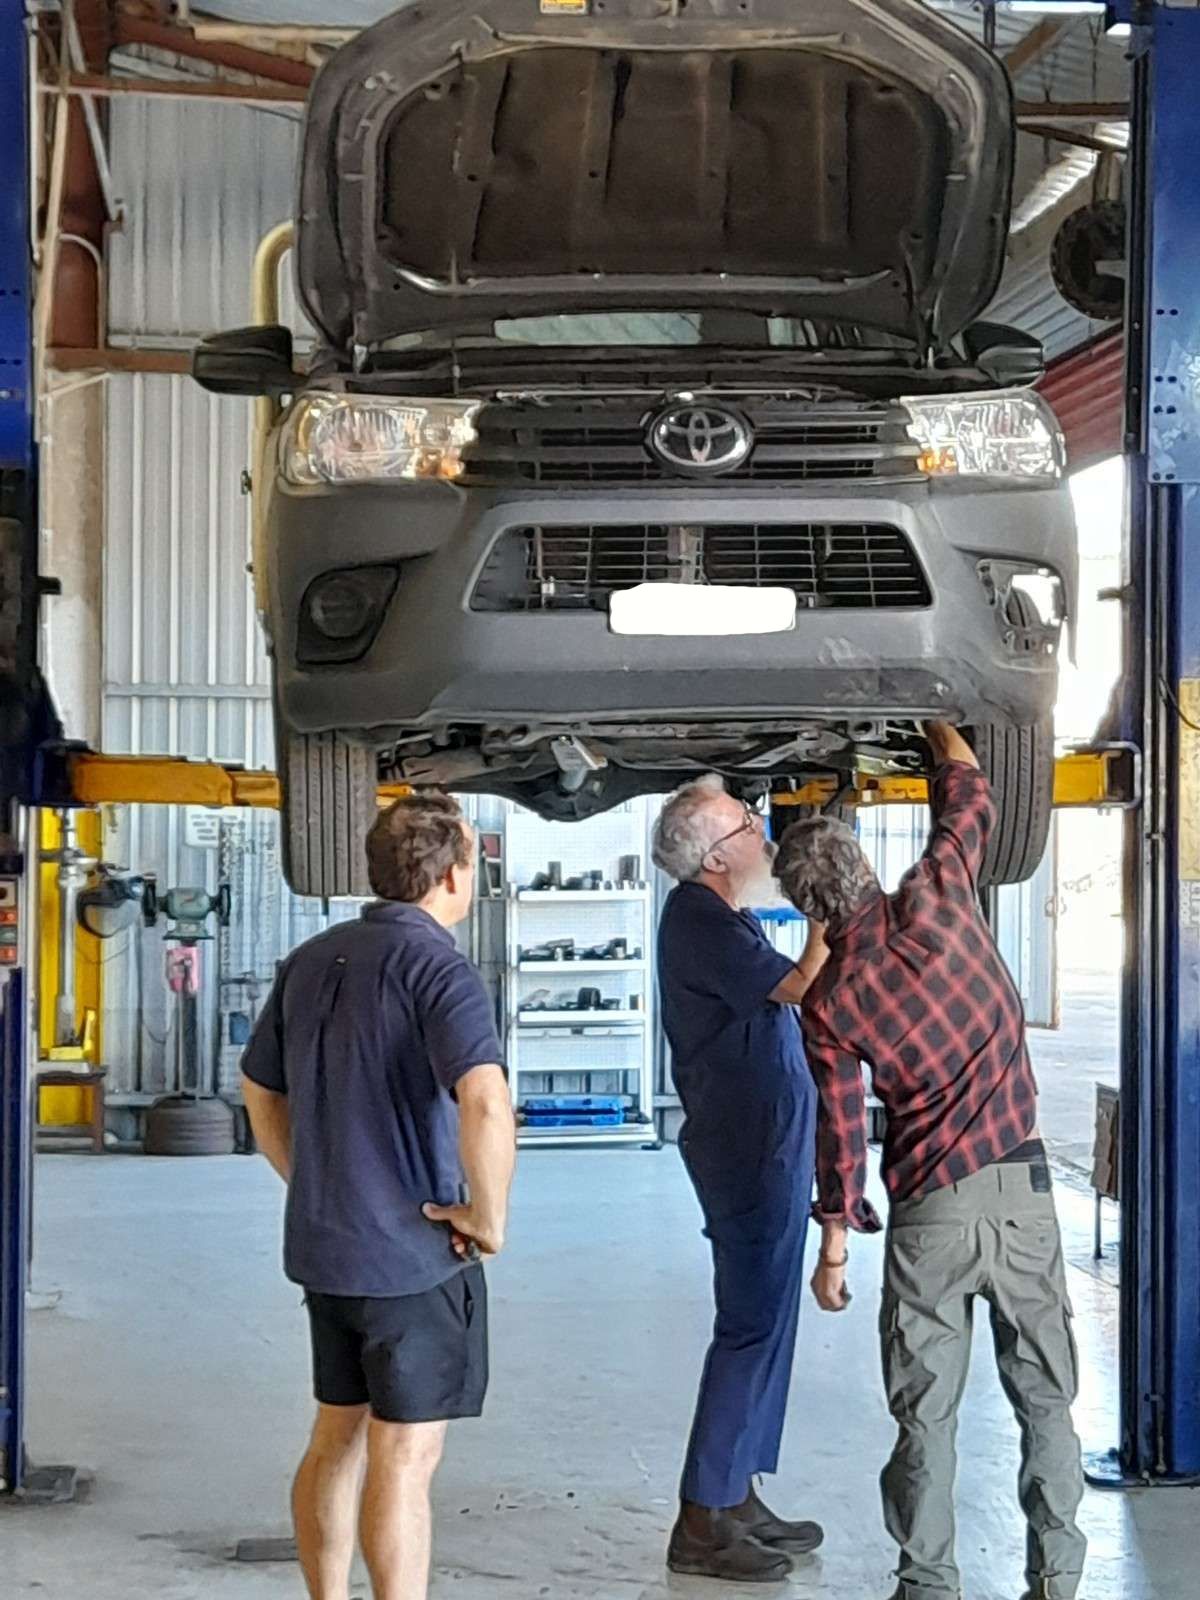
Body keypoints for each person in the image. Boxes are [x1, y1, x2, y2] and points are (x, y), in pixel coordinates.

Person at [773, 721, 1086, 1600]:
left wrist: (833, 1247)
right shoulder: (941, 891)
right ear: (866, 873)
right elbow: (970, 798)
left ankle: (928, 1585)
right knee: (1046, 1399)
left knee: (925, 1418)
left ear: (810, 912)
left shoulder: (829, 1005)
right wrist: (942, 725)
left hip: (928, 1216)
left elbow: (840, 1139)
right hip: (1023, 1195)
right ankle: (1056, 1583)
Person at [241, 793, 516, 1600]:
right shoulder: (438, 968)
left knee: (336, 1438)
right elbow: (487, 1101)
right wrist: (487, 1218)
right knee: (404, 1457)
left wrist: (312, 1180)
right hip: (410, 1261)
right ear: (452, 872)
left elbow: (260, 1093)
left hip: (328, 1250)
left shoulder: (314, 957)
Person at [652, 775, 830, 1584]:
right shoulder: (697, 916)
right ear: (716, 855)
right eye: (750, 826)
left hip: (768, 1139)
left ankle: (737, 1492)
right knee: (750, 1321)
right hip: (745, 1147)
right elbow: (797, 984)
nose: (763, 836)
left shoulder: (727, 914)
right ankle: (701, 1518)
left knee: (772, 1316)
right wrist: (833, 914)